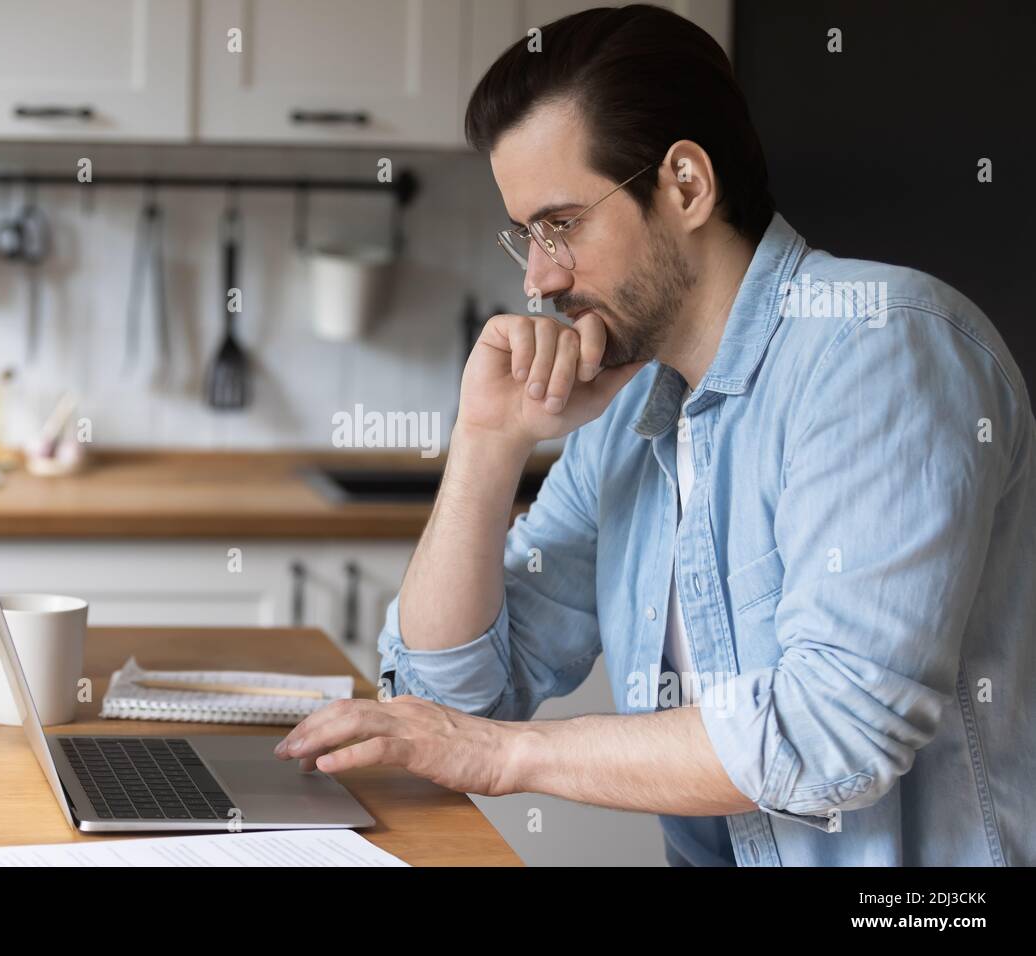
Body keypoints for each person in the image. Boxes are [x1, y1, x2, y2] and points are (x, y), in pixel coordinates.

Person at [274, 4, 1035, 867]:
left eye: (560, 225)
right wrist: (488, 442)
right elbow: (448, 701)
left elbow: (836, 734)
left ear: (685, 185)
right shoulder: (633, 417)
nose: (538, 277)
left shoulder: (878, 346)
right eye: (525, 235)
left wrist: (505, 757)